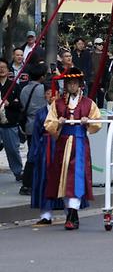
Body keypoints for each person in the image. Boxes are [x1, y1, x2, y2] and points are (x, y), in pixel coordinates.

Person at [44, 68, 101, 230]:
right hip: (62, 144)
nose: (72, 86)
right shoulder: (58, 103)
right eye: (69, 83)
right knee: (62, 178)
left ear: (80, 85)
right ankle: (69, 212)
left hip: (80, 144)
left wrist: (87, 121)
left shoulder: (88, 103)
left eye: (75, 83)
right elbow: (49, 123)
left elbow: (97, 122)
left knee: (75, 178)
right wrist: (58, 123)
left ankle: (73, 214)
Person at [28, 83, 68, 225]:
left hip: (61, 145)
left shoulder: (65, 111)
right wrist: (34, 154)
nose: (51, 96)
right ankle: (46, 214)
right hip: (45, 147)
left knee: (63, 178)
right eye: (48, 93)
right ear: (45, 95)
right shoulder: (40, 113)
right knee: (44, 179)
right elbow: (36, 134)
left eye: (54, 93)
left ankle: (70, 212)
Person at [18, 62, 48, 195]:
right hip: (42, 125)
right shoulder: (43, 89)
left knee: (32, 152)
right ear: (42, 76)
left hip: (29, 125)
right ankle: (28, 183)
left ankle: (28, 182)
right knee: (37, 154)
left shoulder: (24, 89)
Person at [0, 58, 24, 182]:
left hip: (9, 122)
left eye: (3, 67)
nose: (1, 69)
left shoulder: (14, 86)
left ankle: (18, 171)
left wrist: (10, 104)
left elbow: (20, 104)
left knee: (12, 149)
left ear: (8, 70)